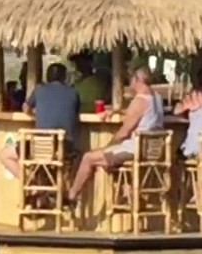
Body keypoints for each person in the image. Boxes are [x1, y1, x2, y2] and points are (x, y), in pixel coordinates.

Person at [67, 66, 164, 203]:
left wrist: (108, 146)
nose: (129, 82)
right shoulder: (157, 97)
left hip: (136, 150)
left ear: (137, 80)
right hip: (153, 150)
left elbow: (124, 133)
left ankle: (72, 197)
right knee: (105, 161)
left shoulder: (139, 101)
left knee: (88, 158)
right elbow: (139, 114)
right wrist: (117, 111)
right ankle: (129, 193)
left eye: (131, 78)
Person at [0, 62, 80, 194]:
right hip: (64, 149)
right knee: (79, 156)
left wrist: (35, 113)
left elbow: (26, 108)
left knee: (4, 155)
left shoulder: (39, 89)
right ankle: (67, 193)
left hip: (39, 148)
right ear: (64, 77)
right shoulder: (73, 92)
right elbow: (76, 112)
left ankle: (31, 182)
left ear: (47, 77)